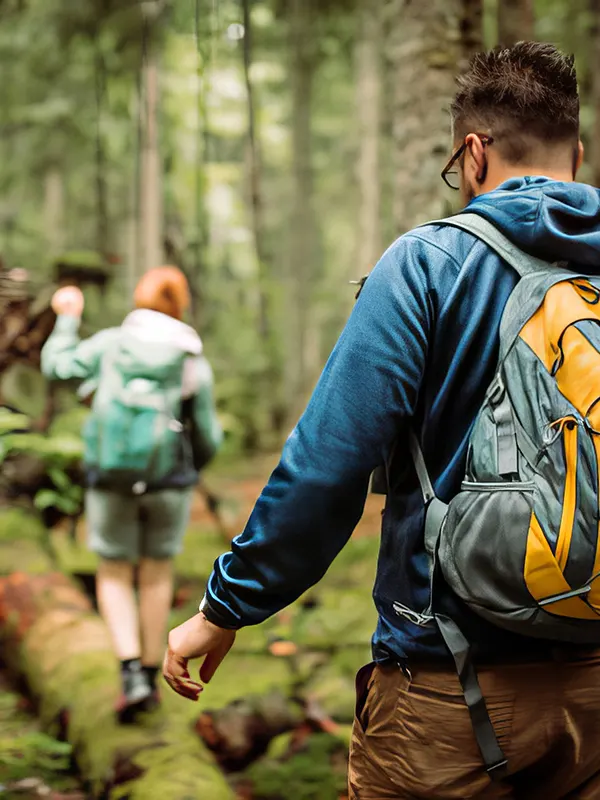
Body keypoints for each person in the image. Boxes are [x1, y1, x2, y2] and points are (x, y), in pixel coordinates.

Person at [163, 42, 600, 799]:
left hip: (449, 691)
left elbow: (328, 465)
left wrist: (225, 606)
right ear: (579, 153)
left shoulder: (429, 263)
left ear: (472, 152)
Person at [42, 266, 222, 722]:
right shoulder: (189, 357)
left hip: (111, 479)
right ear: (180, 304)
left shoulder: (111, 345)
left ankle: (130, 677)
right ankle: (151, 667)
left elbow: (57, 366)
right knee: (156, 575)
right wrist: (188, 469)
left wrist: (66, 316)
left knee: (115, 572)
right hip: (167, 483)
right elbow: (207, 435)